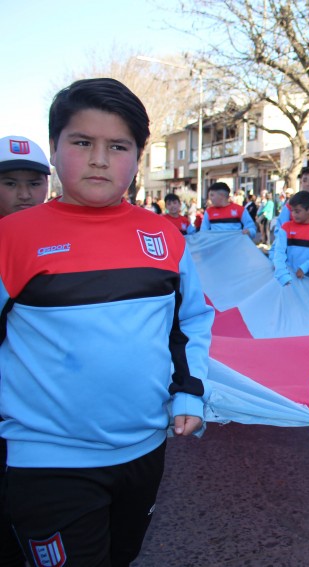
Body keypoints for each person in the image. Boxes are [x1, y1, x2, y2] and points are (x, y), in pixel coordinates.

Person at [0, 78, 213, 567]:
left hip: (143, 452)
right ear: (54, 149)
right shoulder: (11, 238)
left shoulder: (164, 236)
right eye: (82, 143)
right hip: (47, 461)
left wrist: (190, 391)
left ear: (138, 156)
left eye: (117, 146)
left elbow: (190, 322)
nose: (100, 159)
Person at [0, 134, 51, 567]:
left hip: (46, 425)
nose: (23, 195)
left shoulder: (70, 235)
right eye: (10, 183)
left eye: (34, 183)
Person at [272, 190, 309, 286]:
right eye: (292, 211)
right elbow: (279, 253)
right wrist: (283, 275)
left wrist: (306, 267)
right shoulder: (285, 228)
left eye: (297, 211)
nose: (293, 214)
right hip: (290, 282)